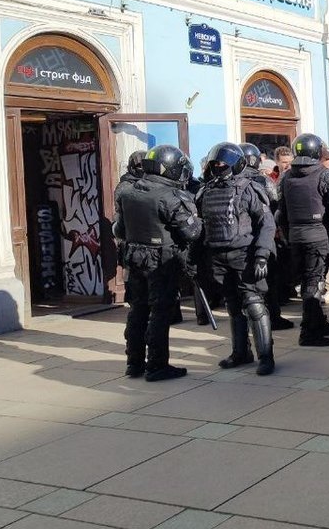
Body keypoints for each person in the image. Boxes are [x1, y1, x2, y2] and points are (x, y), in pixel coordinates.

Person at [114, 145, 202, 381]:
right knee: (160, 312)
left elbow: (119, 229)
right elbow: (191, 232)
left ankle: (134, 363)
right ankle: (157, 365)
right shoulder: (169, 196)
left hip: (134, 258)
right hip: (161, 260)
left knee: (137, 310)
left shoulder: (128, 191)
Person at [197, 141, 278, 376]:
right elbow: (201, 227)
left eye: (223, 163)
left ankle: (266, 356)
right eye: (216, 163)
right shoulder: (206, 190)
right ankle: (240, 352)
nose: (219, 166)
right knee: (233, 306)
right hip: (218, 256)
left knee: (253, 303)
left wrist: (262, 255)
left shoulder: (249, 188)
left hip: (244, 255)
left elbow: (266, 224)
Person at [276, 133, 329, 347]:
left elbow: (280, 214)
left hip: (296, 237)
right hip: (318, 235)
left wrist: (288, 235)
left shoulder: (286, 177)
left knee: (311, 281)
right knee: (313, 283)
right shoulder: (325, 176)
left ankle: (319, 322)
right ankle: (309, 332)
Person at [238, 142, 291, 330]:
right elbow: (275, 203)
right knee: (269, 280)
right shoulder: (263, 181)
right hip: (265, 236)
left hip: (242, 240)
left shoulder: (231, 182)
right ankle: (272, 317)